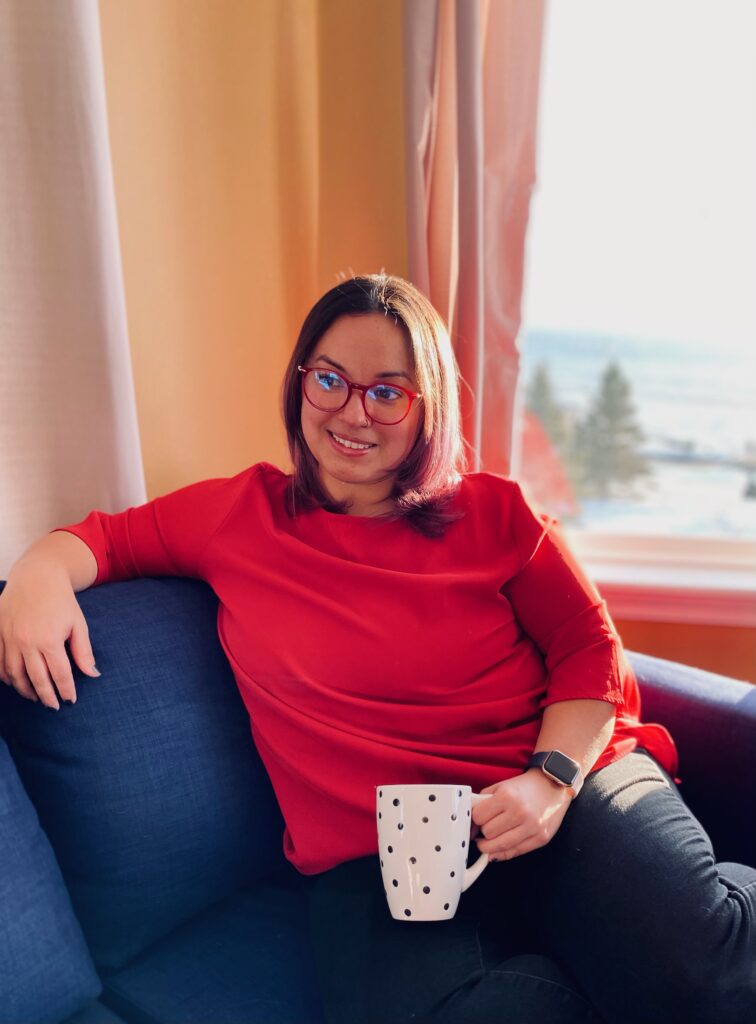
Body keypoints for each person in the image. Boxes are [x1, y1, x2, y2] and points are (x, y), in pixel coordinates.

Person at [0, 274, 754, 1024]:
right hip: (383, 859)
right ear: (302, 383)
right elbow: (103, 539)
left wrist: (548, 782)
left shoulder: (497, 514)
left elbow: (591, 649)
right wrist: (34, 576)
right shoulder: (236, 517)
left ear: (426, 406)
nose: (354, 412)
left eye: (388, 391)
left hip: (572, 788)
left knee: (699, 977)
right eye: (330, 380)